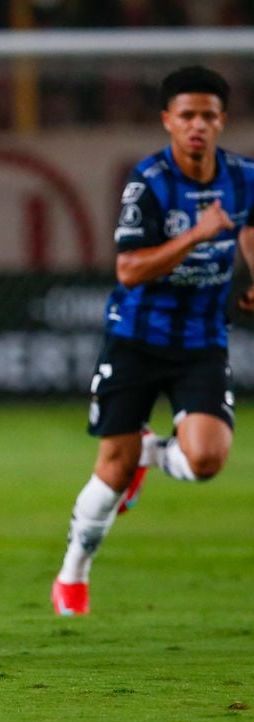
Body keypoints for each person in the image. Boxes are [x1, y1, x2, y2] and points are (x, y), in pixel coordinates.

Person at [51, 66, 254, 616]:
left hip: (202, 340)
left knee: (208, 459)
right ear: (168, 119)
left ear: (221, 122)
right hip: (136, 338)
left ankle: (150, 451)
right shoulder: (150, 182)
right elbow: (129, 269)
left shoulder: (243, 176)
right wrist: (197, 234)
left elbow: (250, 226)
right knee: (111, 472)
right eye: (186, 115)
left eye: (208, 116)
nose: (197, 126)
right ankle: (73, 571)